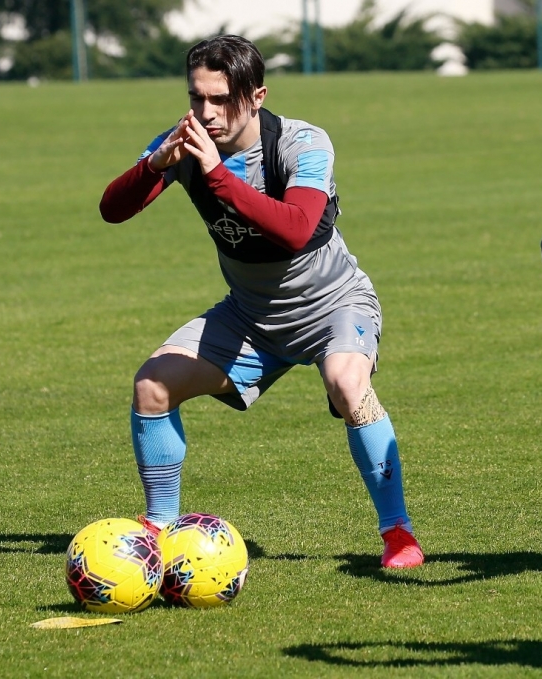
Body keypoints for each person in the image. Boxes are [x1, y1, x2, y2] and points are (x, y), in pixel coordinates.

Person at [99, 35, 424, 568]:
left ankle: (398, 533)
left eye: (220, 99)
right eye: (196, 98)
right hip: (250, 316)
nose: (206, 113)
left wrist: (215, 176)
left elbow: (296, 230)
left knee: (348, 385)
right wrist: (154, 165)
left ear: (256, 96)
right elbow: (113, 209)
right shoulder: (185, 144)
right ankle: (159, 526)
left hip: (334, 306)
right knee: (152, 385)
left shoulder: (303, 143)